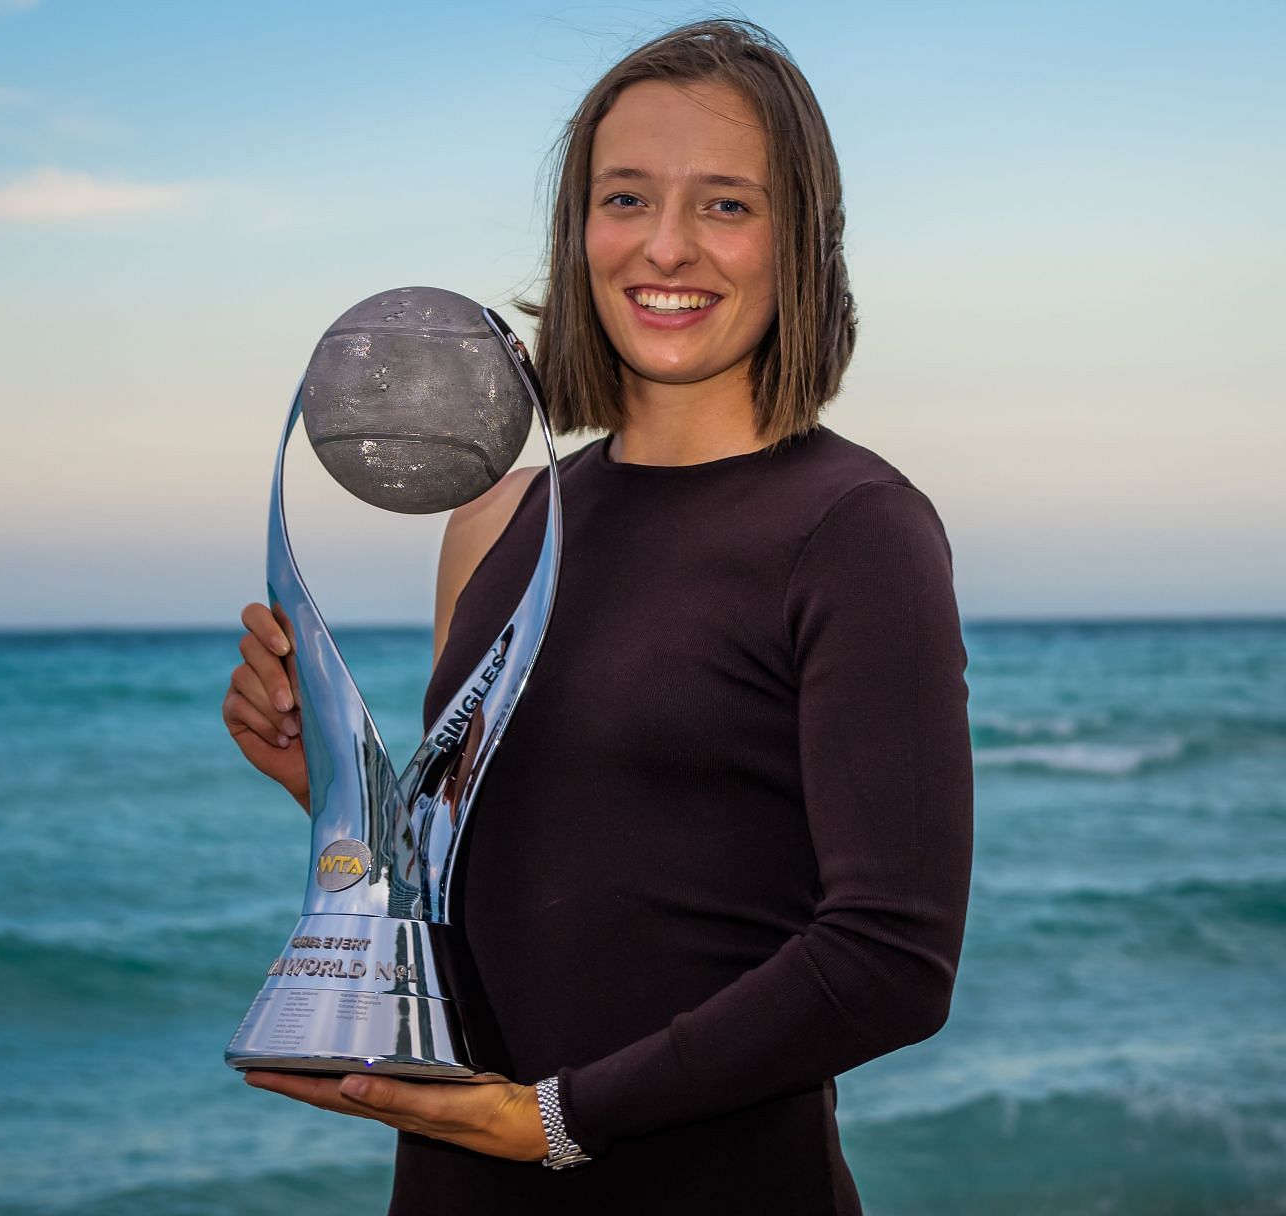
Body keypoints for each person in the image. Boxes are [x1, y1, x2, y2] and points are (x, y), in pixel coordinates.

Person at [220, 18, 973, 1215]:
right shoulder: (497, 519)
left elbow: (892, 959)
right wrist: (339, 797)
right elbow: (493, 885)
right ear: (579, 230)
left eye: (726, 205)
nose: (665, 245)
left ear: (800, 243)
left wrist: (557, 1121)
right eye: (626, 197)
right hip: (458, 1185)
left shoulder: (855, 527)